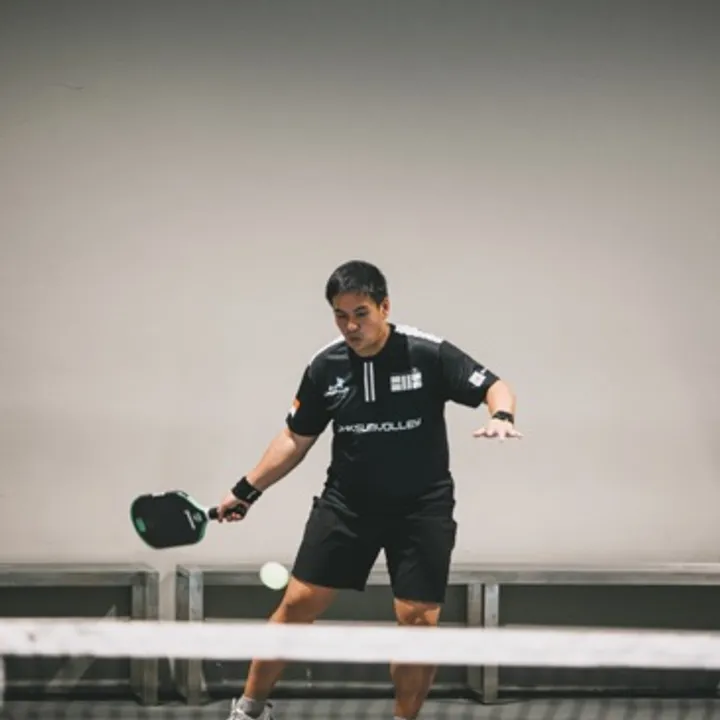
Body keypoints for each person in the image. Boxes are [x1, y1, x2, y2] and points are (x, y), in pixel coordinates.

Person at [216, 260, 521, 720]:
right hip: (348, 505)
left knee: (418, 625)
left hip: (421, 508)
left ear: (385, 307)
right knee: (297, 606)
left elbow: (494, 386)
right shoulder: (325, 367)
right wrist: (246, 490)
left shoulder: (427, 353)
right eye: (341, 316)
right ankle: (249, 709)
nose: (351, 326)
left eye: (361, 313)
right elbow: (295, 438)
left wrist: (501, 416)